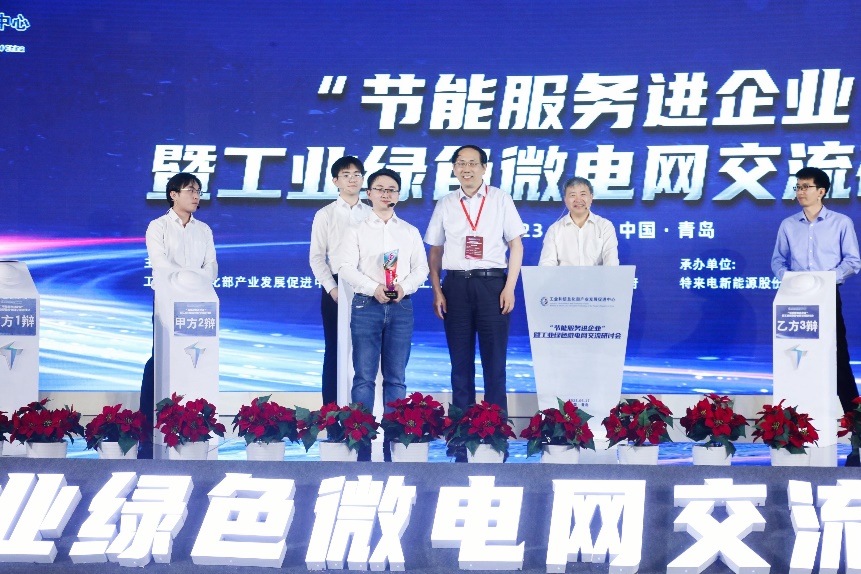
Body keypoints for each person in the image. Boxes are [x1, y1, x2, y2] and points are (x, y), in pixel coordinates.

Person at [424, 145, 524, 461]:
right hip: (455, 285)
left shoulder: (500, 199)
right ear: (454, 169)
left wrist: (510, 287)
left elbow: (516, 245)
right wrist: (437, 290)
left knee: (495, 364)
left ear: (484, 168)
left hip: (492, 284)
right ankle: (460, 434)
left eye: (472, 163)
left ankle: (495, 433)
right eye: (460, 163)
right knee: (460, 365)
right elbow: (435, 251)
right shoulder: (445, 203)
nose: (466, 168)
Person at [771, 166, 861, 466]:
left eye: (806, 186)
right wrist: (791, 281)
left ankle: (857, 437)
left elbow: (853, 261)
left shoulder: (840, 223)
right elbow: (778, 261)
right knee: (795, 362)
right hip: (794, 302)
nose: (800, 192)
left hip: (827, 298)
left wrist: (823, 280)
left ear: (821, 191)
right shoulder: (788, 225)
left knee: (838, 365)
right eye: (798, 187)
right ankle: (792, 434)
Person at [337, 168, 429, 460]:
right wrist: (373, 287)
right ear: (369, 193)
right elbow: (345, 267)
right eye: (379, 189)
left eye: (391, 190)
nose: (385, 194)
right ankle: (362, 440)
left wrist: (404, 287)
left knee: (396, 377)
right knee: (364, 376)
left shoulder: (409, 231)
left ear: (398, 195)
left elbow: (422, 268)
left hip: (401, 305)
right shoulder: (356, 230)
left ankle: (395, 439)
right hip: (367, 305)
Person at [141, 173, 218, 458]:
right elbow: (160, 264)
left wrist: (196, 283)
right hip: (167, 300)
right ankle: (148, 427)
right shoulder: (158, 226)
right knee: (160, 358)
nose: (196, 196)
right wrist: (187, 280)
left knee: (196, 359)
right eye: (190, 191)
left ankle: (194, 425)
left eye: (198, 191)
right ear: (173, 194)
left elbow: (211, 267)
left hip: (199, 304)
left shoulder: (204, 230)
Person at [309, 156, 372, 406]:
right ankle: (331, 413)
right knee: (335, 350)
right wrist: (332, 288)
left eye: (357, 174)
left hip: (369, 286)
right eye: (346, 175)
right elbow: (316, 257)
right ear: (335, 181)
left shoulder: (372, 213)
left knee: (367, 351)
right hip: (337, 287)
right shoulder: (325, 214)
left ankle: (365, 412)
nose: (352, 179)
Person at [538, 176, 619, 266]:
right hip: (564, 276)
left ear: (591, 197)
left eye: (583, 194)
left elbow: (611, 261)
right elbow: (547, 264)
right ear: (565, 200)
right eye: (573, 195)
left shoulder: (605, 226)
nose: (578, 200)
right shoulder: (554, 230)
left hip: (597, 276)